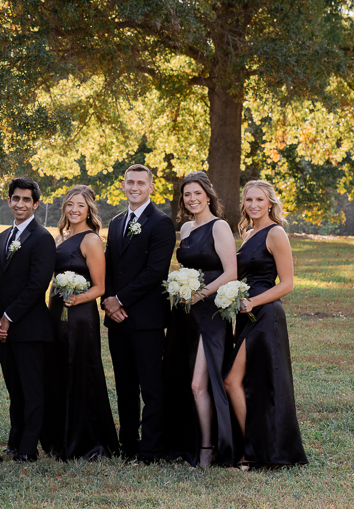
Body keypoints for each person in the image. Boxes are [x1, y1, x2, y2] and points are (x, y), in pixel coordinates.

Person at [223, 180, 308, 468]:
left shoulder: (276, 233)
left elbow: (287, 284)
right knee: (242, 382)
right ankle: (253, 447)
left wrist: (253, 303)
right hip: (247, 314)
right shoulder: (248, 233)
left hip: (266, 314)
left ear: (270, 202)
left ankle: (257, 451)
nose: (254, 205)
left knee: (238, 380)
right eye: (249, 200)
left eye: (259, 200)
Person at [162, 171, 237, 468]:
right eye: (187, 195)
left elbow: (231, 271)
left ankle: (209, 448)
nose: (192, 199)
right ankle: (189, 443)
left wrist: (201, 294)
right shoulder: (188, 228)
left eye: (197, 193)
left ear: (208, 195)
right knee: (183, 381)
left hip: (211, 313)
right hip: (185, 314)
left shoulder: (219, 227)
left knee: (199, 384)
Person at [40, 184, 119, 461]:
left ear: (89, 210)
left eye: (80, 206)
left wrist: (79, 298)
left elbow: (100, 286)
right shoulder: (60, 238)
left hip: (79, 316)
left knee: (80, 371)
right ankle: (59, 437)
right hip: (56, 313)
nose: (74, 210)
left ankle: (85, 440)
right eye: (70, 205)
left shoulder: (91, 240)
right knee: (58, 371)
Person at [102, 163, 175, 463]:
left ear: (151, 187)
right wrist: (108, 300)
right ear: (123, 185)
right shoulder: (117, 222)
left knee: (151, 387)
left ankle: (151, 449)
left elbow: (155, 271)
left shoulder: (161, 223)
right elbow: (108, 267)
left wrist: (120, 299)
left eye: (140, 183)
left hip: (147, 320)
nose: (134, 187)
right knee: (124, 384)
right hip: (117, 319)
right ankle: (128, 444)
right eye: (129, 182)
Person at [0, 177, 53, 461]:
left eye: (27, 199)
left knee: (32, 390)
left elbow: (37, 284)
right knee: (14, 389)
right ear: (9, 200)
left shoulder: (42, 238)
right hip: (3, 329)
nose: (21, 204)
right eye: (16, 198)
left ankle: (29, 447)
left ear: (36, 204)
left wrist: (8, 316)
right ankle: (14, 441)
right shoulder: (2, 237)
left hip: (29, 328)